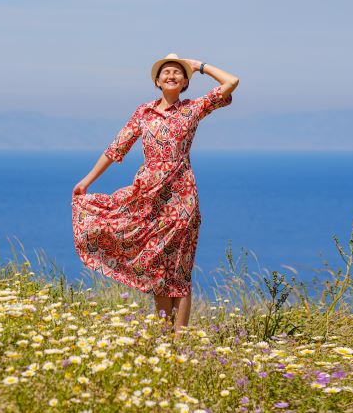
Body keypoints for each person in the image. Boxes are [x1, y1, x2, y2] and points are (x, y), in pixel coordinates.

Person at [71, 53, 240, 331]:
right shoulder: (143, 112)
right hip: (147, 198)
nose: (171, 76)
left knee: (180, 271)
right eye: (166, 73)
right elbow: (116, 149)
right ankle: (164, 339)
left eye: (177, 72)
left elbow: (231, 82)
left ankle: (179, 341)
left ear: (185, 81)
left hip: (182, 198)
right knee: (158, 269)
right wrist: (87, 181)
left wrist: (198, 65)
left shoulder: (192, 109)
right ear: (157, 81)